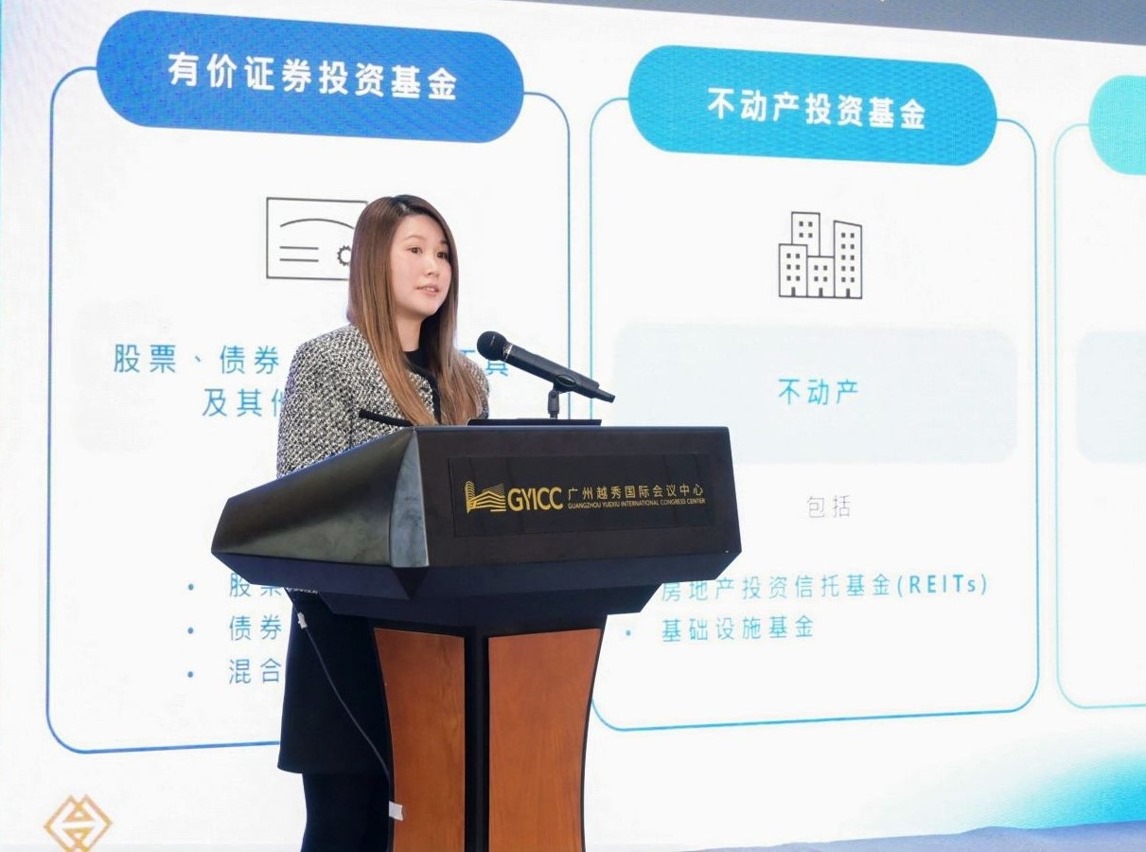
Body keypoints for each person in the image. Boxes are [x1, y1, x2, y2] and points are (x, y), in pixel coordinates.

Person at [274, 194, 489, 851]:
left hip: (446, 643)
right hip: (348, 637)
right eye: (415, 250)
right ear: (373, 261)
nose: (434, 267)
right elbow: (304, 505)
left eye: (443, 254)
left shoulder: (468, 379)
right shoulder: (329, 362)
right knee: (347, 826)